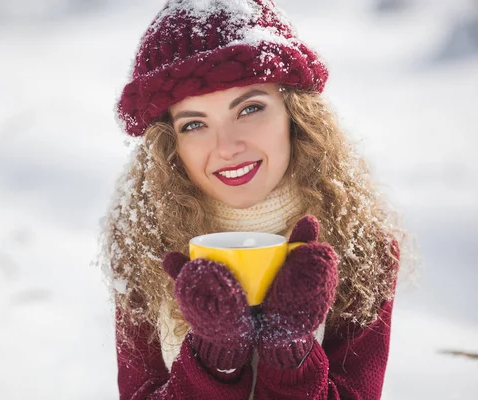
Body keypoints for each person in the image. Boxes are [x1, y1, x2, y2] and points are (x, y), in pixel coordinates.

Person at [102, 1, 404, 398]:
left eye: (250, 108)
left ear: (295, 113)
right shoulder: (144, 244)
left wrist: (289, 351)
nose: (227, 147)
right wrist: (214, 358)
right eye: (194, 124)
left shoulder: (361, 243)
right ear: (169, 145)